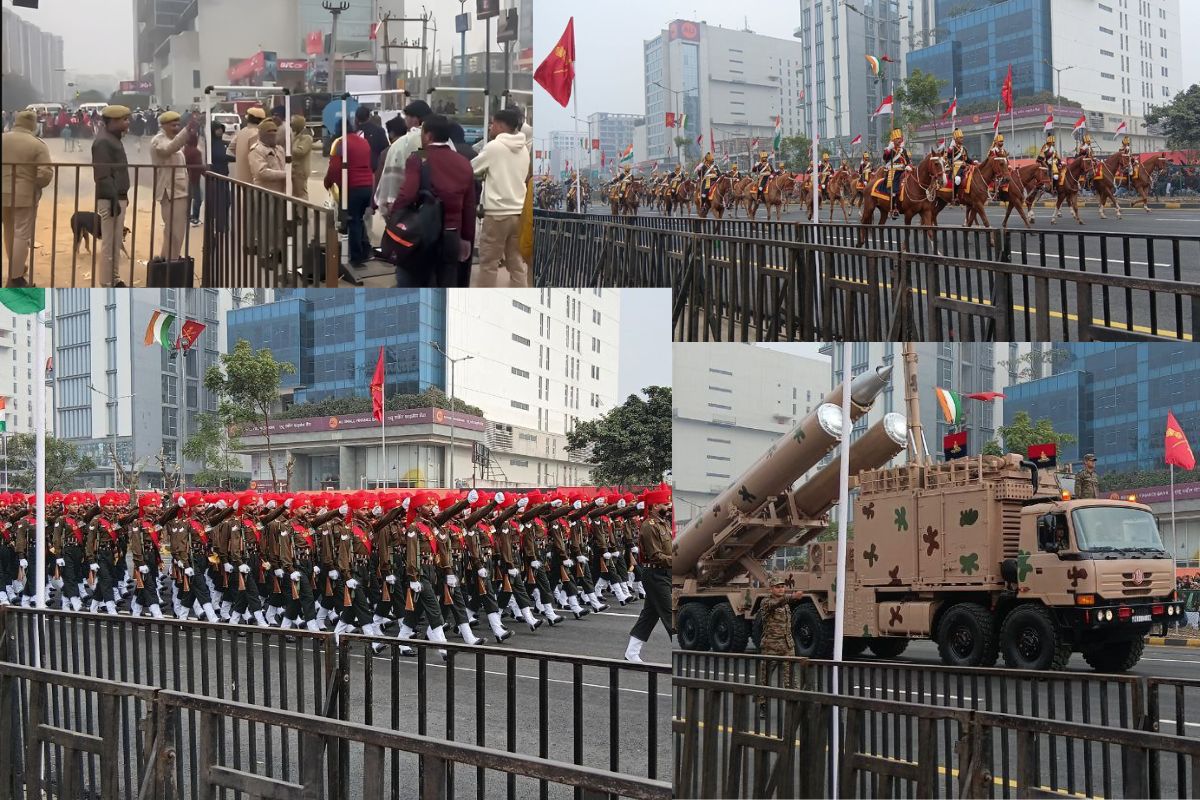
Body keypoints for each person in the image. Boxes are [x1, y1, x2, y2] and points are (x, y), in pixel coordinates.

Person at [392, 114, 476, 287]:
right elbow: (469, 205)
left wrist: (395, 217)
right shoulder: (463, 161)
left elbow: (407, 193)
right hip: (452, 235)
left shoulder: (419, 156)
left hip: (424, 235)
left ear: (429, 136)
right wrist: (466, 238)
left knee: (418, 283)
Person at [471, 108, 530, 287]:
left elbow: (471, 169)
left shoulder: (494, 147)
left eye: (492, 123)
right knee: (516, 264)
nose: (490, 127)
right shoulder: (524, 149)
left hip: (497, 214)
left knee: (489, 263)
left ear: (500, 124)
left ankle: (484, 301)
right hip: (518, 213)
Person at [1, 110, 53, 288]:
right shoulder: (37, 144)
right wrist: (36, 186)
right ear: (33, 124)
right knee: (22, 233)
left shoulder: (3, 138)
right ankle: (16, 277)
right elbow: (45, 173)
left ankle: (15, 269)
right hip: (24, 195)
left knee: (8, 232)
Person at [624, 485, 674, 663]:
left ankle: (631, 652)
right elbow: (656, 555)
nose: (668, 506)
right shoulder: (649, 526)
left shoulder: (663, 523)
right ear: (654, 506)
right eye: (665, 503)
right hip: (655, 575)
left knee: (649, 615)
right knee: (670, 615)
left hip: (664, 574)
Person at [324, 116, 375, 267]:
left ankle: (356, 259)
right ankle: (366, 251)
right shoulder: (364, 141)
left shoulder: (339, 143)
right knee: (359, 219)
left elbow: (334, 168)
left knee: (352, 221)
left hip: (352, 187)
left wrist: (328, 182)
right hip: (367, 186)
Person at [91, 105, 132, 287]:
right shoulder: (103, 142)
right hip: (109, 198)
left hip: (118, 196)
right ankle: (107, 282)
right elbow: (102, 175)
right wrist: (114, 198)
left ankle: (115, 278)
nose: (127, 122)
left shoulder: (113, 139)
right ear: (112, 121)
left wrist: (123, 195)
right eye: (124, 119)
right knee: (109, 243)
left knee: (116, 242)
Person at [150, 110, 198, 262]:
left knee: (174, 230)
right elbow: (168, 149)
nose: (176, 127)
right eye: (173, 125)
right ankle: (172, 261)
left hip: (178, 190)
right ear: (163, 125)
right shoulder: (159, 140)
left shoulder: (172, 139)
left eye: (178, 124)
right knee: (175, 231)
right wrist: (185, 132)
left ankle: (166, 258)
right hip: (170, 191)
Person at [376, 100, 432, 212]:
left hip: (407, 205)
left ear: (415, 119)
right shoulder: (442, 138)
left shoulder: (404, 143)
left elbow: (393, 177)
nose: (404, 120)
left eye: (406, 117)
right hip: (435, 204)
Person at [756, 579, 798, 716]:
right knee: (765, 677)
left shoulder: (786, 606)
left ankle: (795, 705)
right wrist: (792, 597)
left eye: (782, 587)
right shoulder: (766, 602)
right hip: (771, 646)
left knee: (790, 677)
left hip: (787, 646)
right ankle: (763, 704)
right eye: (778, 587)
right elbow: (777, 603)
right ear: (771, 589)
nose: (781, 589)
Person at [248, 119, 287, 193]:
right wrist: (285, 174)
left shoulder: (279, 149)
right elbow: (261, 172)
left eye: (275, 131)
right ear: (262, 134)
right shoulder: (256, 150)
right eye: (269, 132)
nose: (273, 134)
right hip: (264, 193)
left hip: (281, 192)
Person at [231, 106, 266, 183]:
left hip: (240, 173)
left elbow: (231, 148)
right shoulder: (257, 133)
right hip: (251, 175)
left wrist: (240, 155)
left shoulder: (242, 131)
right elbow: (256, 154)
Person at [355, 105, 390, 178]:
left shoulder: (353, 133)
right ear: (369, 116)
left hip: (356, 171)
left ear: (356, 118)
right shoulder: (379, 131)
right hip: (375, 169)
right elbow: (386, 149)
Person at [883, 128, 911, 219]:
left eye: (900, 138)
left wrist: (908, 166)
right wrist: (888, 149)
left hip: (903, 171)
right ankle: (893, 208)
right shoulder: (890, 150)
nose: (899, 140)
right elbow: (885, 158)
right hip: (893, 171)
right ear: (893, 140)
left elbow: (907, 160)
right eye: (897, 139)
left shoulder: (903, 150)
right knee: (894, 189)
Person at [183, 129, 204, 225]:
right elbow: (199, 166)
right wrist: (207, 174)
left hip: (186, 176)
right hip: (195, 177)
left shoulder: (185, 150)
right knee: (198, 198)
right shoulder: (196, 152)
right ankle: (195, 217)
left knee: (189, 197)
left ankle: (186, 216)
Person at [290, 115, 313, 201]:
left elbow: (300, 152)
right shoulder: (296, 135)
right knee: (295, 193)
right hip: (295, 169)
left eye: (292, 123)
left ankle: (303, 212)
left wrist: (290, 147)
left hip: (301, 170)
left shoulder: (306, 137)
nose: (290, 125)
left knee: (301, 193)